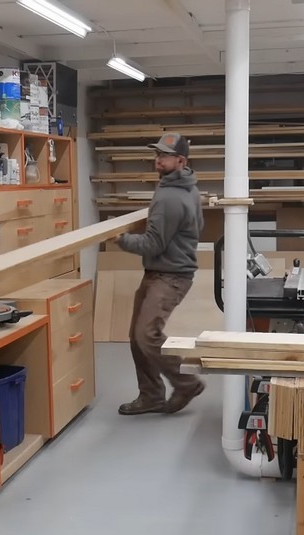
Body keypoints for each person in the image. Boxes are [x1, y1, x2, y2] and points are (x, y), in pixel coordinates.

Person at [115, 132, 206, 415]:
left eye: (164, 156)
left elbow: (153, 243)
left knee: (147, 334)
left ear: (181, 160)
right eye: (157, 155)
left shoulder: (170, 197)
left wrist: (121, 239)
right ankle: (151, 395)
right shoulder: (186, 187)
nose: (158, 160)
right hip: (161, 270)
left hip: (170, 275)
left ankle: (186, 382)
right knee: (136, 336)